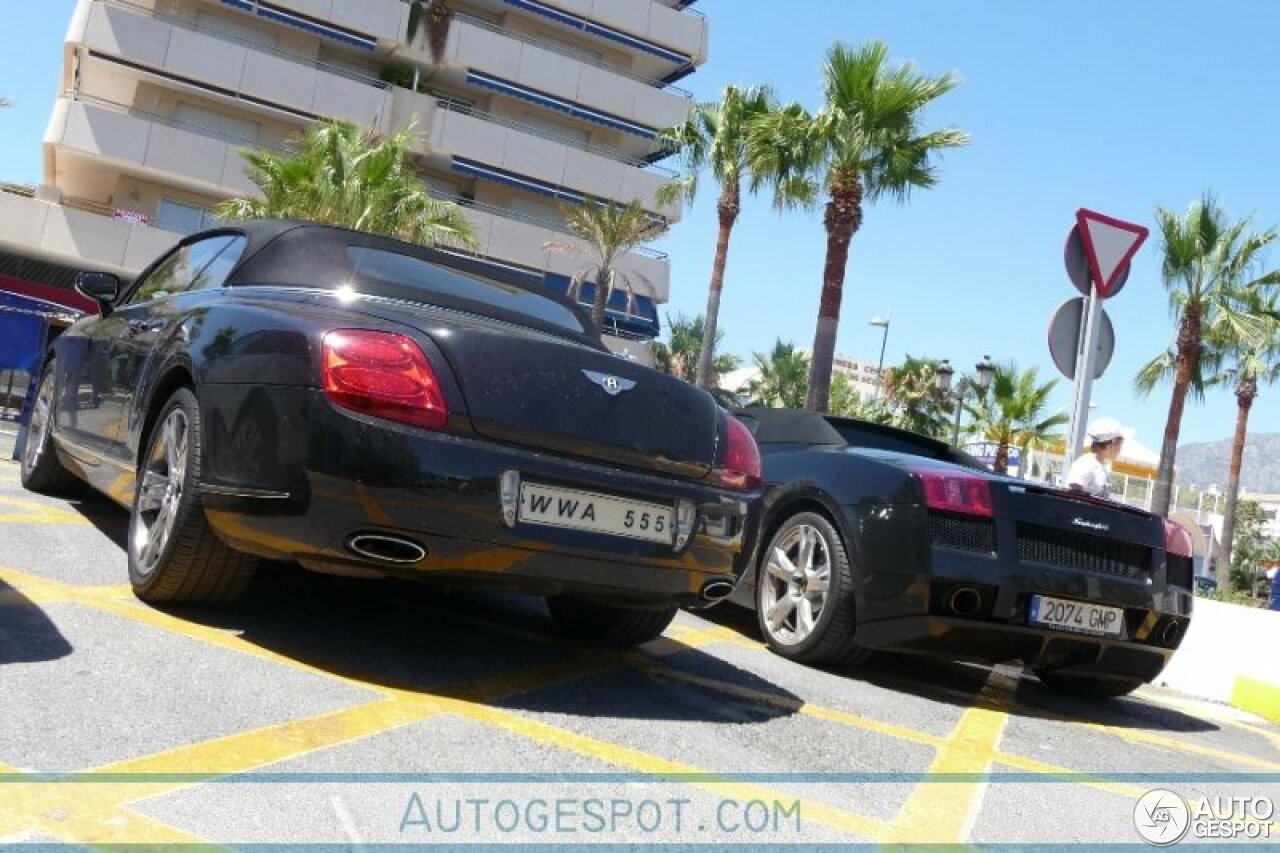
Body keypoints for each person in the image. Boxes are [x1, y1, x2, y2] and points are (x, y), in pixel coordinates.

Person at [1066, 418, 1125, 498]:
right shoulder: (1086, 463)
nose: (1121, 448)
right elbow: (1073, 496)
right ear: (1112, 444)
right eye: (1121, 443)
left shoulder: (1101, 466)